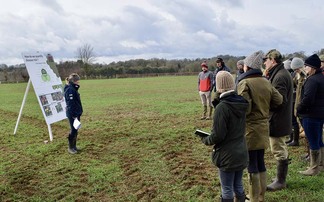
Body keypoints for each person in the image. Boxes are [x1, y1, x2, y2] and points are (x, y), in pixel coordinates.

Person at [237, 51, 283, 202]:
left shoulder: (245, 83)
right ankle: (261, 196)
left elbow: (244, 108)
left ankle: (254, 197)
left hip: (250, 128)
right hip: (264, 126)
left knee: (251, 164)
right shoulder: (265, 81)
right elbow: (279, 100)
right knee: (260, 161)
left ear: (247, 66)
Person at [201, 71, 249, 202]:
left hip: (227, 155)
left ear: (219, 86)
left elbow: (218, 135)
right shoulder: (242, 102)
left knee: (227, 189)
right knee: (238, 186)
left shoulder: (222, 107)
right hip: (241, 151)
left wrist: (206, 139)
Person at [263, 49, 293, 191]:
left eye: (266, 60)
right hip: (279, 119)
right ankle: (280, 179)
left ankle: (281, 181)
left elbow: (279, 101)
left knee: (278, 149)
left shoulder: (279, 76)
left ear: (273, 60)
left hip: (277, 120)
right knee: (280, 148)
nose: (264, 62)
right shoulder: (280, 73)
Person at [297, 54, 324, 176]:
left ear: (312, 67)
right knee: (319, 140)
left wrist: (299, 108)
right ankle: (321, 164)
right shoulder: (321, 78)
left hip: (310, 115)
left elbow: (308, 99)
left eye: (306, 66)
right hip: (320, 114)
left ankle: (314, 168)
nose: (305, 68)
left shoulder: (312, 80)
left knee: (313, 141)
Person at [288, 57, 307, 147]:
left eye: (297, 69)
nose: (296, 71)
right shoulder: (297, 76)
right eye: (294, 70)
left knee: (307, 129)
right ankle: (309, 152)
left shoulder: (306, 77)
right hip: (298, 104)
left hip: (304, 105)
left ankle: (310, 152)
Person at [64, 73, 83, 154]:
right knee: (73, 130)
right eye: (78, 81)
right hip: (73, 114)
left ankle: (74, 146)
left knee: (76, 129)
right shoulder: (70, 90)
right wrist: (74, 115)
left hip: (76, 113)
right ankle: (70, 147)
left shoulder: (73, 88)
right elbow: (70, 104)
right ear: (74, 81)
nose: (79, 83)